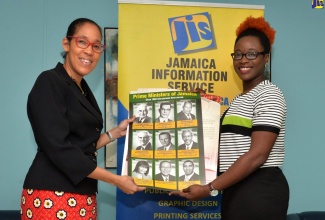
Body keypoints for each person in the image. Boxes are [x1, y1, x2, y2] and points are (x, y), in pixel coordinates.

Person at [20, 18, 145, 219]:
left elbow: (81, 146)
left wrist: (114, 133)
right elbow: (60, 149)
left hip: (83, 193)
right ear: (66, 44)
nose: (89, 51)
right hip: (52, 194)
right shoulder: (50, 81)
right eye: (82, 42)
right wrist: (116, 180)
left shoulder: (83, 89)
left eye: (96, 46)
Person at [170, 16, 289, 220]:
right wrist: (202, 107)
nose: (243, 60)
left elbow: (257, 155)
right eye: (239, 54)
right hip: (235, 188)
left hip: (259, 190)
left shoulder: (269, 94)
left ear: (266, 58)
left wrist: (209, 188)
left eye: (252, 54)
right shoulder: (239, 100)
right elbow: (227, 143)